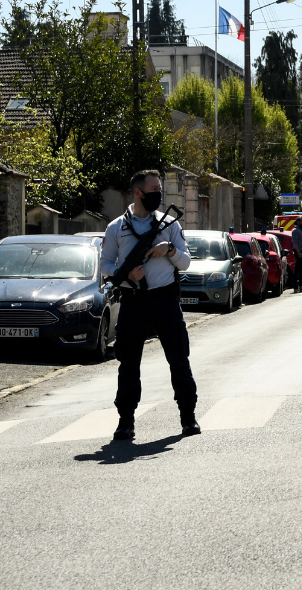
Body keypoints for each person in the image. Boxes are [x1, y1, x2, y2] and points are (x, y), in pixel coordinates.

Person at [101, 170, 199, 440]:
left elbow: (186, 262)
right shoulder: (116, 227)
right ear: (138, 192)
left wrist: (169, 250)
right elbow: (105, 265)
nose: (158, 192)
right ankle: (126, 421)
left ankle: (188, 416)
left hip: (166, 299)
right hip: (133, 301)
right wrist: (127, 273)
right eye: (153, 188)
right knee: (128, 362)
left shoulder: (169, 224)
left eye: (159, 188)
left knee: (179, 359)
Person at [290, 216, 302, 293]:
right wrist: (298, 252)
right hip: (298, 252)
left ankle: (299, 286)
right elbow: (295, 243)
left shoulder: (301, 230)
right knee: (299, 270)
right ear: (298, 221)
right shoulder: (295, 231)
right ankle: (298, 286)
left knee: (300, 269)